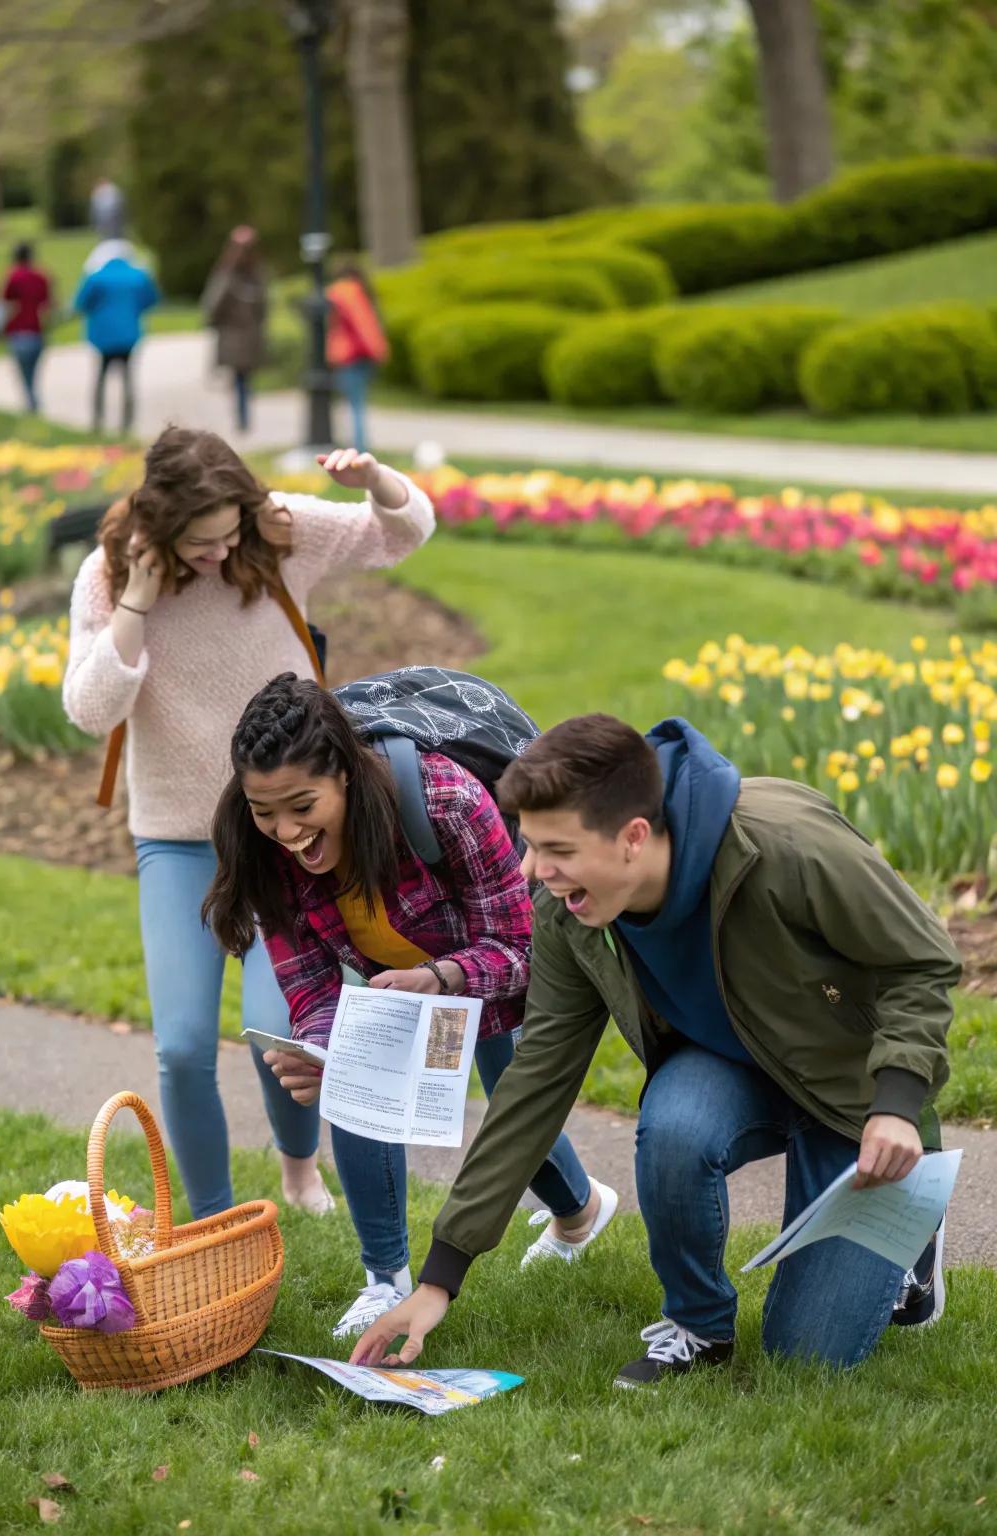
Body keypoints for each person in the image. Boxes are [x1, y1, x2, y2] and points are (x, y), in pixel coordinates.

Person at [353, 713, 960, 1386]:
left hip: (855, 1090)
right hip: (730, 1069)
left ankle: (912, 1235)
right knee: (673, 1126)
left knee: (808, 1358)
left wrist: (899, 1103)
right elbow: (537, 1080)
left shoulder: (786, 841)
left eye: (556, 850)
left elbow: (922, 962)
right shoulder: (567, 911)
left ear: (633, 838)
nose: (535, 871)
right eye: (530, 846)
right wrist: (441, 1275)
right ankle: (698, 1326)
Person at [62, 428, 436, 1224]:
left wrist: (374, 478)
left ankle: (299, 1169)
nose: (220, 550)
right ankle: (215, 1218)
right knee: (183, 1047)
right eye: (201, 541)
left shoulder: (274, 533)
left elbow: (402, 534)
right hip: (177, 837)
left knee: (280, 1029)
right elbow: (91, 709)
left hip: (287, 839)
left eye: (230, 531)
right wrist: (137, 600)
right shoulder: (112, 573)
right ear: (159, 529)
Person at [203, 672, 615, 1338]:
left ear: (342, 774)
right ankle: (384, 1282)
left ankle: (581, 1211)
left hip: (478, 957)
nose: (284, 831)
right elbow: (306, 974)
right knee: (354, 1074)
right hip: (401, 971)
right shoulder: (266, 847)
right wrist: (320, 1046)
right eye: (264, 811)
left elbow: (520, 948)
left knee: (513, 1097)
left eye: (301, 806)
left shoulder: (446, 800)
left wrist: (443, 977)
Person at [73, 244, 159, 433]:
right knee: (128, 378)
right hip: (129, 335)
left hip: (102, 335)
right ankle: (127, 422)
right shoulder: (138, 276)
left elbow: (80, 303)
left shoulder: (96, 277)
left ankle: (98, 419)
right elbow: (152, 299)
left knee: (101, 377)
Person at [202, 227, 267, 433]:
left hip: (232, 333)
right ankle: (245, 414)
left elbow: (213, 303)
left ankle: (242, 417)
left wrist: (213, 320)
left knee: (238, 378)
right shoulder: (257, 274)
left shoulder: (227, 273)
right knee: (244, 377)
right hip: (250, 334)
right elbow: (264, 307)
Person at [327, 266, 389, 454]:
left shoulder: (340, 294)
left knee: (352, 403)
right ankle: (357, 445)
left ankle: (358, 447)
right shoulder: (359, 293)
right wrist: (378, 351)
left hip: (348, 356)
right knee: (356, 402)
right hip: (362, 356)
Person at [0, 242, 52, 413]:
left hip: (18, 332)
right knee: (33, 377)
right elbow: (48, 306)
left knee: (25, 377)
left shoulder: (13, 277)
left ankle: (32, 407)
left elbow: (5, 305)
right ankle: (34, 405)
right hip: (37, 332)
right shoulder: (41, 277)